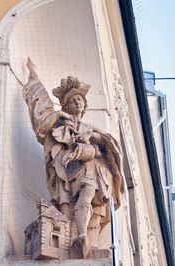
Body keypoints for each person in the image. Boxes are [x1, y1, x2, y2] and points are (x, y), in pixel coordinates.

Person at [22, 58, 124, 250]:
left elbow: (109, 147)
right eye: (73, 100)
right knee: (65, 202)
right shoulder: (60, 122)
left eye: (80, 100)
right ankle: (71, 239)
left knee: (87, 195)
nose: (78, 102)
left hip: (90, 169)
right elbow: (42, 125)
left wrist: (93, 139)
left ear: (84, 106)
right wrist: (34, 78)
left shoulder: (91, 128)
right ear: (66, 107)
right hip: (65, 170)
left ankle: (83, 236)